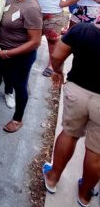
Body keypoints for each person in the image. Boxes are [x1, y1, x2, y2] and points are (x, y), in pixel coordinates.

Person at [43, 18, 100, 207]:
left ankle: (52, 178)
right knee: (96, 150)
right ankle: (85, 195)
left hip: (78, 91)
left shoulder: (84, 30)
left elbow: (58, 55)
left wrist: (58, 72)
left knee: (69, 133)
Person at [0, 0, 42, 132]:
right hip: (3, 50)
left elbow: (35, 41)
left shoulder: (31, 8)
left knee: (19, 85)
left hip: (20, 56)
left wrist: (10, 53)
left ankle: (18, 119)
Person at [32, 0, 81, 77]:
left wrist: (64, 4)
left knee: (52, 41)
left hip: (53, 15)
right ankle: (29, 61)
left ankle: (51, 65)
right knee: (32, 40)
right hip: (36, 14)